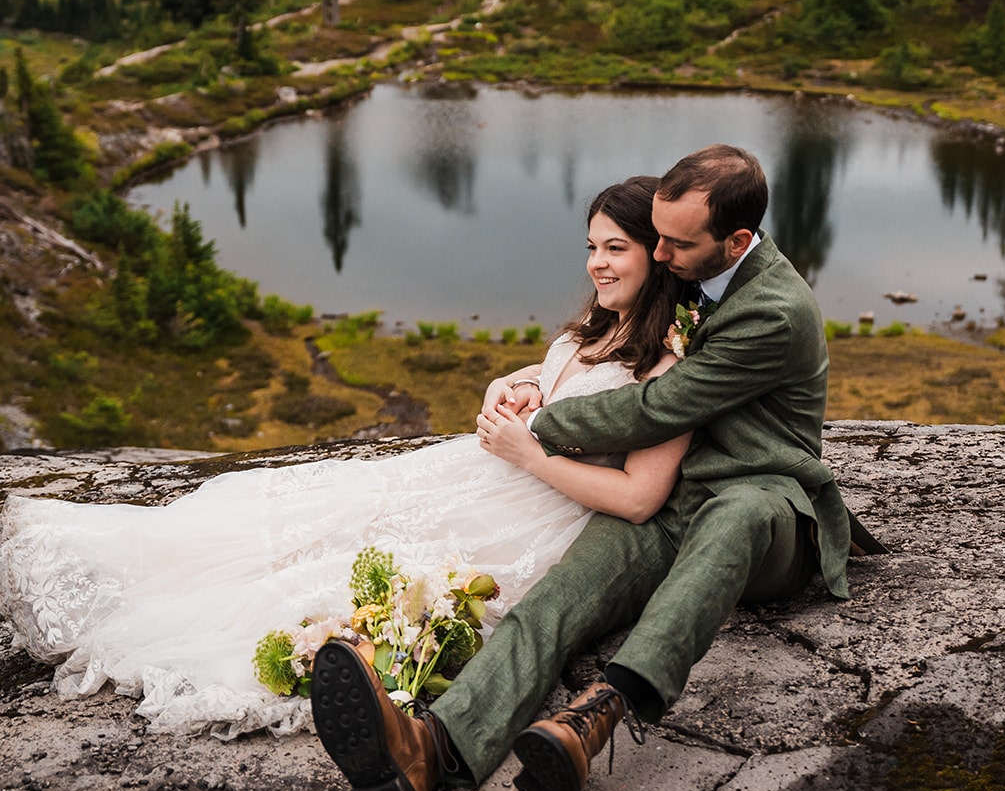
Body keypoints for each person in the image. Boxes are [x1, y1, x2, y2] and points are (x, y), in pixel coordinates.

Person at [311, 143, 883, 791]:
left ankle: (597, 715)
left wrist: (537, 425)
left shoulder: (773, 311)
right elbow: (614, 341)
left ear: (734, 241)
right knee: (558, 599)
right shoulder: (688, 274)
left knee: (735, 515)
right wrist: (528, 378)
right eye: (657, 237)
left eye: (675, 242)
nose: (661, 253)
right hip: (676, 499)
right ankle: (428, 753)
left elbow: (650, 409)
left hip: (769, 504)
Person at [0, 177, 688, 740]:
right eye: (591, 245)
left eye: (615, 248)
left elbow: (638, 498)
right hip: (481, 472)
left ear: (658, 255)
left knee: (357, 569)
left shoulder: (671, 366)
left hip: (541, 511)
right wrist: (512, 385)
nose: (596, 262)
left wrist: (526, 453)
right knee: (322, 506)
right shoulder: (596, 324)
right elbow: (550, 380)